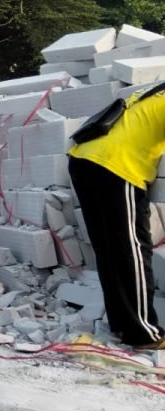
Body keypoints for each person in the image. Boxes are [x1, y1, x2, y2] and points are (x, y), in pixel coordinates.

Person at [68, 86, 165, 350]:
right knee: (131, 250)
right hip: (115, 166)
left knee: (110, 250)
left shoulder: (157, 91)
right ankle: (143, 333)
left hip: (84, 159)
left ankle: (123, 326)